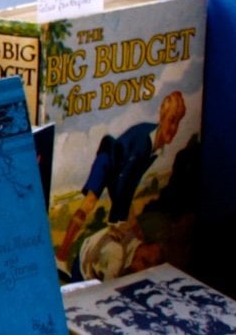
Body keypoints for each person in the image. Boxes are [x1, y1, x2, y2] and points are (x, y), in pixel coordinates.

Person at [61, 90, 187, 257]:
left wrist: (125, 217)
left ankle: (142, 249)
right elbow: (124, 180)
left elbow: (129, 181)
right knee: (90, 202)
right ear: (162, 117)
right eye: (171, 120)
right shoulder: (145, 142)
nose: (173, 128)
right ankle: (61, 256)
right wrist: (114, 222)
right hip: (108, 158)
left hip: (118, 171)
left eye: (177, 123)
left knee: (131, 217)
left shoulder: (157, 148)